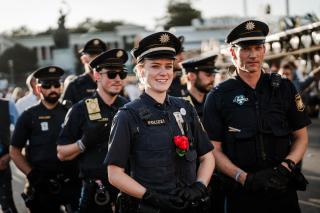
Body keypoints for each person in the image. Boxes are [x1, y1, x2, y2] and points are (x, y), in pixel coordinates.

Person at [203, 20, 311, 213]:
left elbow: (301, 136)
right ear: (233, 53)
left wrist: (286, 166)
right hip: (242, 194)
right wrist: (243, 178)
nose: (253, 55)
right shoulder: (218, 96)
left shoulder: (283, 88)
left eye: (257, 47)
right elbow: (214, 150)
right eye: (245, 49)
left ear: (264, 50)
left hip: (282, 189)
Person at [105, 32, 215, 213]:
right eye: (155, 66)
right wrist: (151, 196)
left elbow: (207, 157)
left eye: (168, 66)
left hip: (190, 206)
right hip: (151, 208)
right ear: (140, 71)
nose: (163, 73)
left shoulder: (185, 108)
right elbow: (114, 174)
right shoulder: (127, 115)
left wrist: (200, 186)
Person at [57, 49, 129, 213]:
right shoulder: (80, 109)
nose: (118, 79)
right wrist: (83, 143)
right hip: (96, 191)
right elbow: (61, 153)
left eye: (122, 74)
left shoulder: (128, 107)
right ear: (97, 75)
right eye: (111, 74)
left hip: (126, 188)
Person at [10, 66, 81, 213]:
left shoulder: (71, 112)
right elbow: (15, 151)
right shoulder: (28, 116)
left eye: (56, 85)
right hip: (41, 185)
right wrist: (32, 175)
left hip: (71, 183)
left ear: (61, 87)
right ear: (38, 89)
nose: (52, 89)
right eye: (47, 86)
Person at [61, 38, 107, 105]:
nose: (96, 59)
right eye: (92, 56)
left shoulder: (110, 82)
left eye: (99, 56)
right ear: (83, 59)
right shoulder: (74, 85)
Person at [181, 54, 217, 121]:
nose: (212, 79)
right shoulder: (179, 104)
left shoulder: (214, 102)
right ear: (191, 76)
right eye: (208, 75)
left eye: (213, 75)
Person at [0, 98, 18, 213]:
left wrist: (10, 154)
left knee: (8, 206)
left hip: (2, 162)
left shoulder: (8, 105)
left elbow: (22, 131)